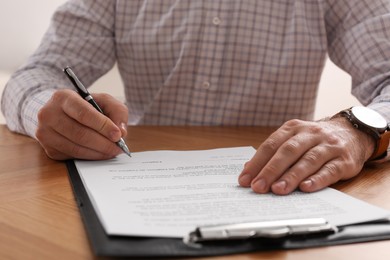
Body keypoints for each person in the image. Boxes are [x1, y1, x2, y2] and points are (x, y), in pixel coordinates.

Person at [2, 0, 390, 196]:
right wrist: (45, 111)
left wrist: (357, 130)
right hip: (140, 188)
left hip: (277, 190)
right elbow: (38, 74)